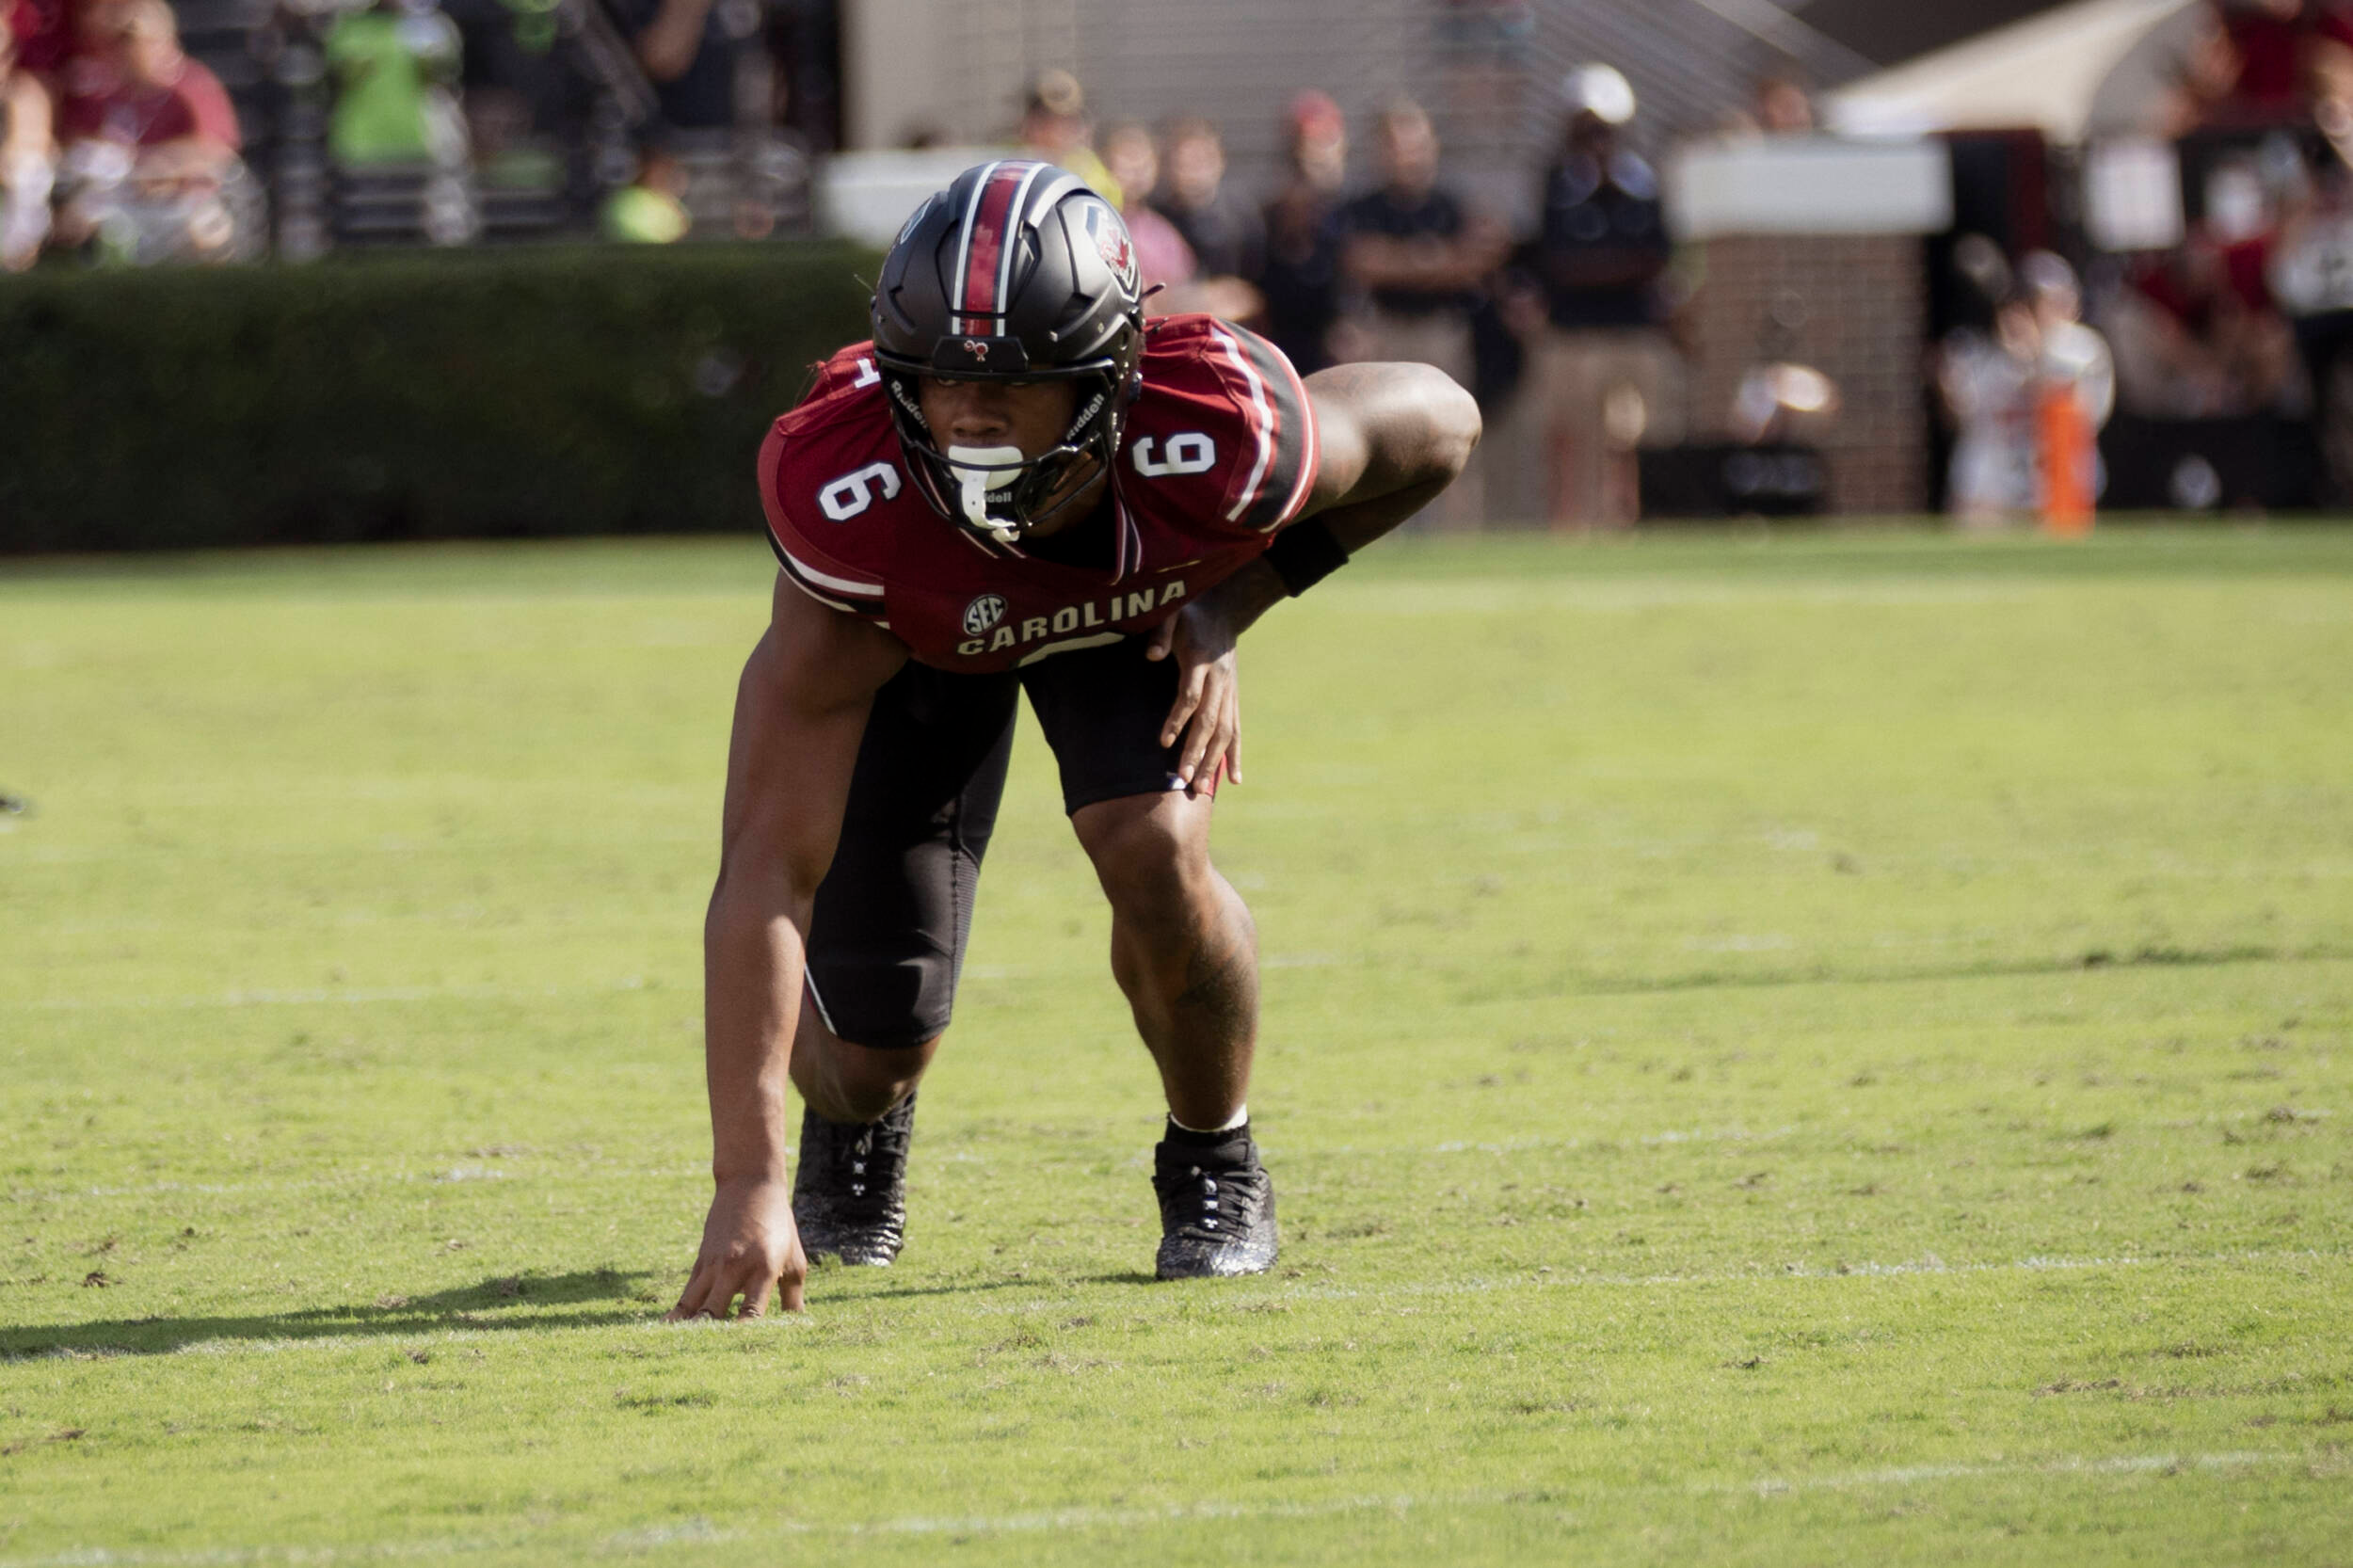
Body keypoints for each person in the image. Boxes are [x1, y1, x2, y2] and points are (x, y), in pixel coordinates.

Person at [667, 159, 1480, 1318]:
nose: (970, 415)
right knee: (862, 1061)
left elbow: (1442, 423)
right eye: (940, 379)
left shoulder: (1215, 433)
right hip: (919, 649)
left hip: (1127, 612)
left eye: (1019, 385)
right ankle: (852, 1129)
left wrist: (1228, 602)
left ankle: (1214, 1158)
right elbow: (763, 871)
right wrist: (745, 1180)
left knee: (1152, 845)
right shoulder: (854, 502)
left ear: (1110, 380)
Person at [1333, 99, 1503, 526]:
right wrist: (1434, 262)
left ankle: (1457, 533)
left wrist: (1403, 263)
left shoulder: (1451, 203)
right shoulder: (1362, 207)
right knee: (1383, 440)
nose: (1404, 154)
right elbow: (1362, 261)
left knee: (1452, 436)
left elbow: (1477, 259)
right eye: (1393, 145)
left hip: (1440, 333)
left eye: (1412, 143)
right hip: (1386, 332)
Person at [1526, 64, 1681, 529]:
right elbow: (1557, 263)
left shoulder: (1643, 186)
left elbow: (1656, 258)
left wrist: (1598, 267)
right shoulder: (1557, 186)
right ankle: (1571, 529)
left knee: (1638, 438)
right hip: (1576, 338)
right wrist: (1613, 267)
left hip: (1632, 335)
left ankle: (1634, 524)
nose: (1597, 141)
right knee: (1573, 440)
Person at [53, 0, 241, 262]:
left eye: (133, 40)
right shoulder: (104, 93)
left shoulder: (190, 87)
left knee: (207, 231)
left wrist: (155, 164)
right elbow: (79, 146)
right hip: (122, 198)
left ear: (163, 40)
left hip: (181, 200)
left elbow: (215, 153)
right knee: (73, 222)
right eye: (117, 41)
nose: (123, 50)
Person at [1257, 89, 1350, 376]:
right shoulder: (1274, 213)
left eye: (1327, 142)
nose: (1319, 153)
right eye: (1311, 144)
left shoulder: (1354, 211)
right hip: (1289, 349)